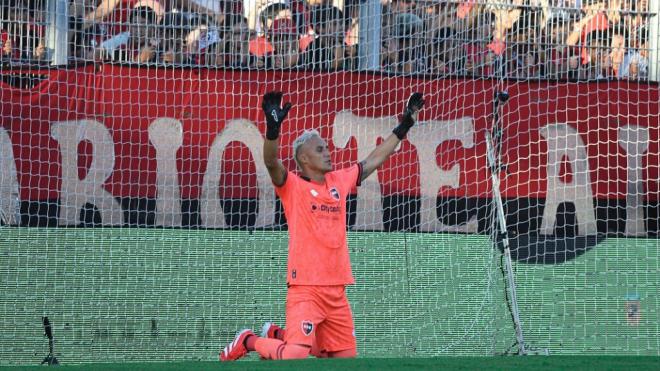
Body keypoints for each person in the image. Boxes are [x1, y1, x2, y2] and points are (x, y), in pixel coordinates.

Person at [219, 90, 425, 361]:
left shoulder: (338, 181)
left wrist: (404, 126)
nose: (327, 152)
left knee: (342, 361)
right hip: (306, 288)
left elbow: (374, 160)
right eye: (320, 149)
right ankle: (249, 340)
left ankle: (279, 335)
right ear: (304, 159)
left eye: (326, 147)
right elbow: (270, 161)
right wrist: (272, 129)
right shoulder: (292, 185)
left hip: (337, 289)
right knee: (295, 357)